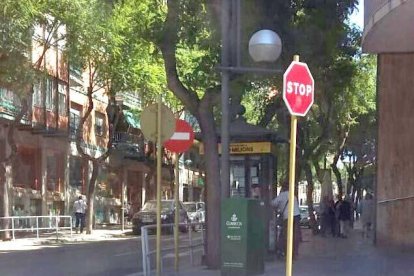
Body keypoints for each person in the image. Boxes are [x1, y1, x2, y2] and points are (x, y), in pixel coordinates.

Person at [271, 182, 301, 259]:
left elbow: (273, 203)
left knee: (285, 235)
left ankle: (284, 252)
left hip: (288, 217)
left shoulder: (282, 195)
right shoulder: (293, 195)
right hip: (297, 216)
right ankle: (294, 253)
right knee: (295, 235)